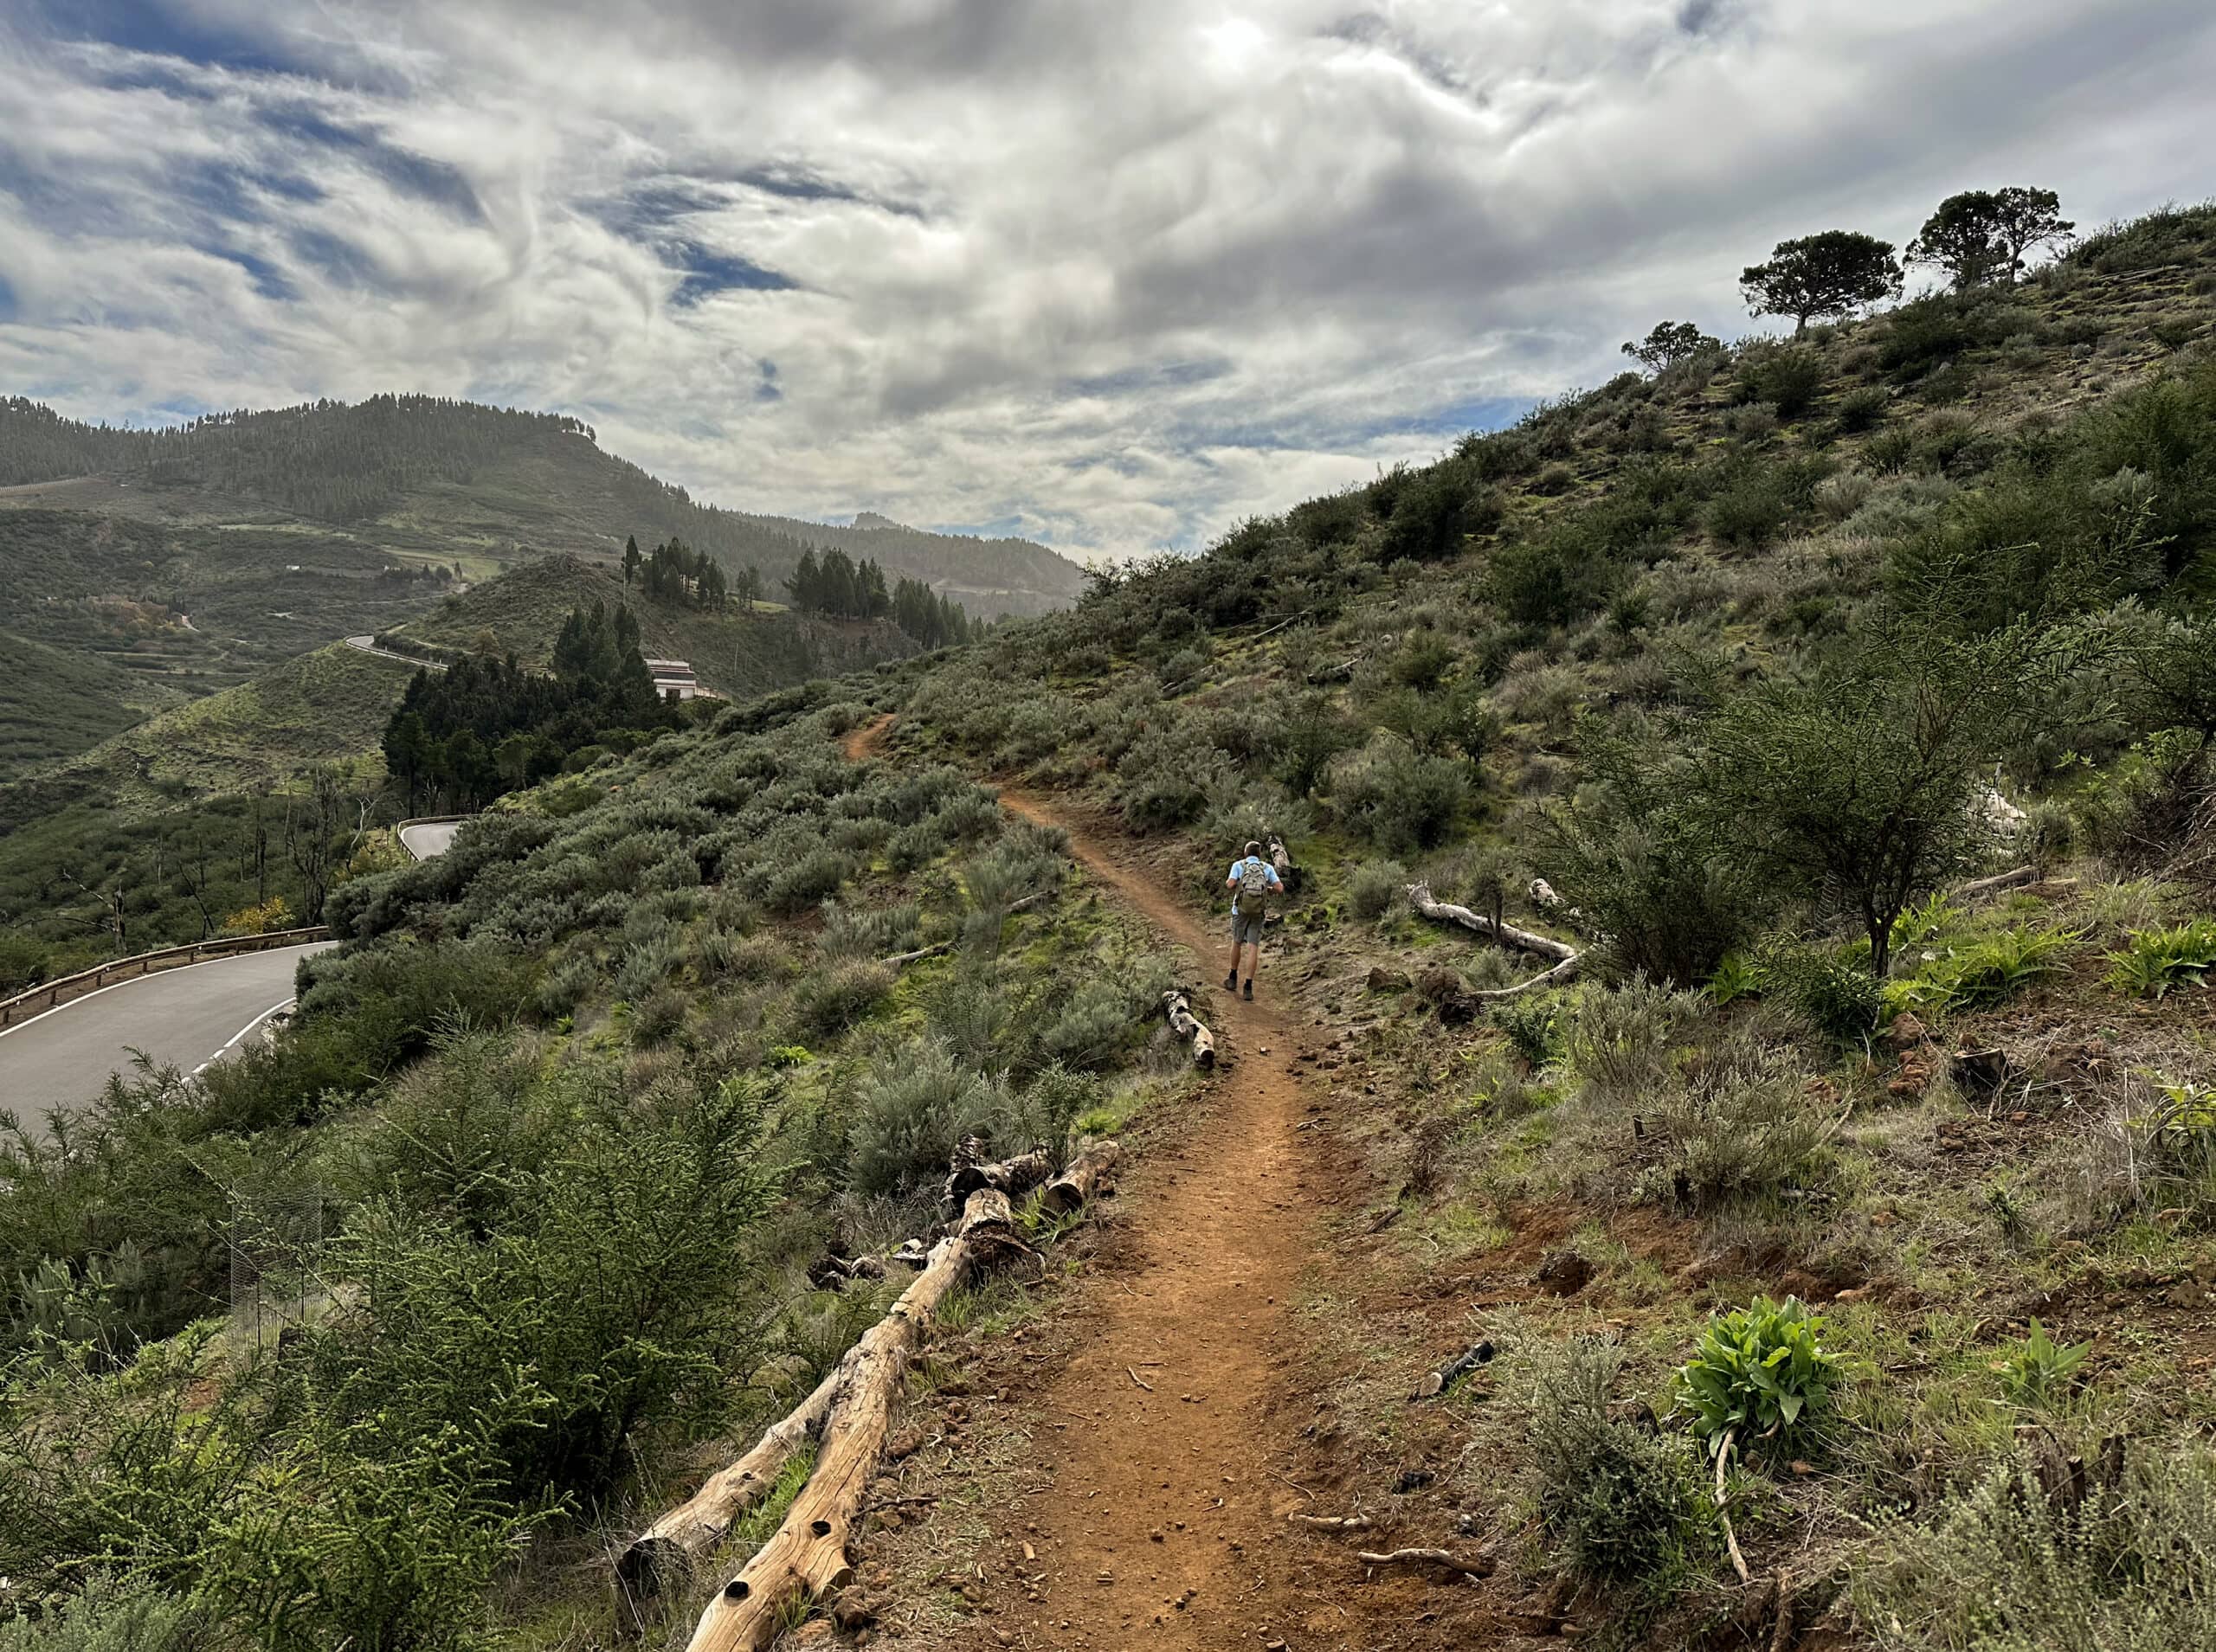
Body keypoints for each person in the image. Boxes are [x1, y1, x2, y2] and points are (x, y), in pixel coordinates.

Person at [1223, 839, 1283, 1001]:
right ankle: (1248, 986)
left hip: (1239, 910)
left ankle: (1233, 977)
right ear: (1259, 855)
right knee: (1253, 948)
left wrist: (1237, 885)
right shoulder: (1267, 868)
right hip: (1258, 912)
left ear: (1245, 853)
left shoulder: (1238, 865)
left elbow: (1230, 884)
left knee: (1236, 942)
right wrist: (1267, 890)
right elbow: (1280, 888)